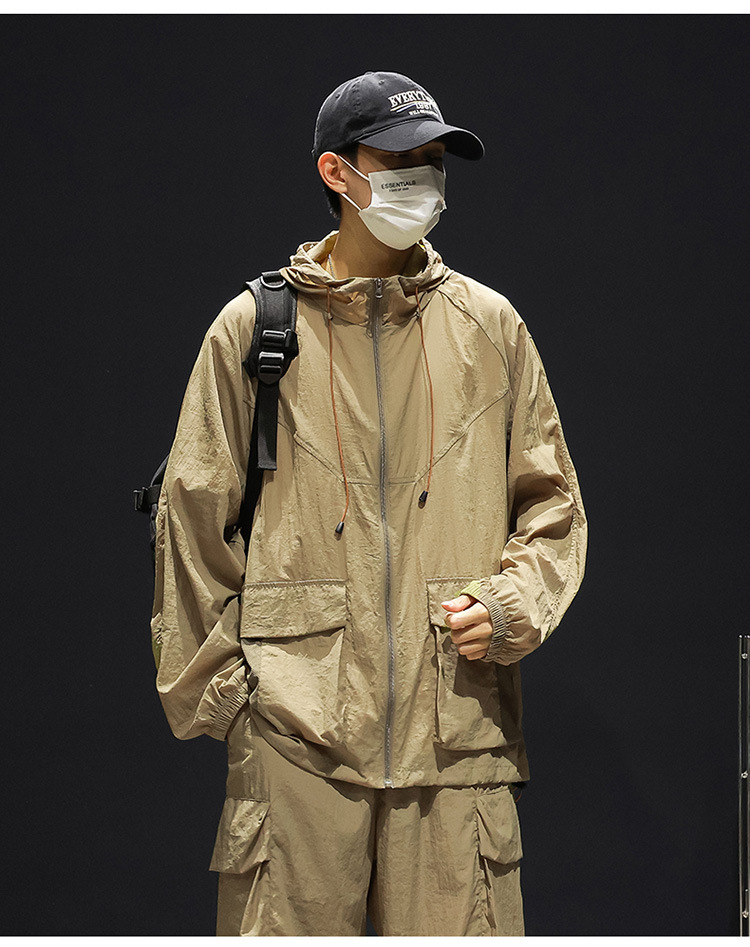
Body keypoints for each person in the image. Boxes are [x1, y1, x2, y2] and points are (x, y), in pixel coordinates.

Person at [150, 70, 588, 937]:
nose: (423, 177)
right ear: (336, 171)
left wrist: (509, 607)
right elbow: (191, 521)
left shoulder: (491, 328)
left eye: (435, 159)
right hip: (295, 748)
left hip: (456, 740)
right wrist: (236, 703)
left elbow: (554, 508)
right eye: (398, 158)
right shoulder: (254, 331)